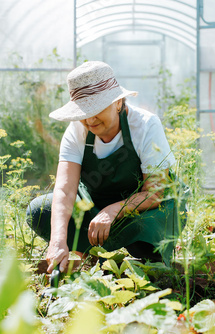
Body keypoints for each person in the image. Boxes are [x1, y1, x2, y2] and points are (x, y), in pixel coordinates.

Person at [27, 61, 187, 273]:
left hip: (143, 210)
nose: (89, 119)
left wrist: (113, 211)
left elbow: (155, 192)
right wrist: (58, 240)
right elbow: (65, 190)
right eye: (83, 112)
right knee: (39, 211)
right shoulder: (76, 131)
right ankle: (85, 253)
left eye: (97, 109)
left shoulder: (146, 125)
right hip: (95, 206)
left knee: (144, 243)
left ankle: (125, 256)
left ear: (119, 102)